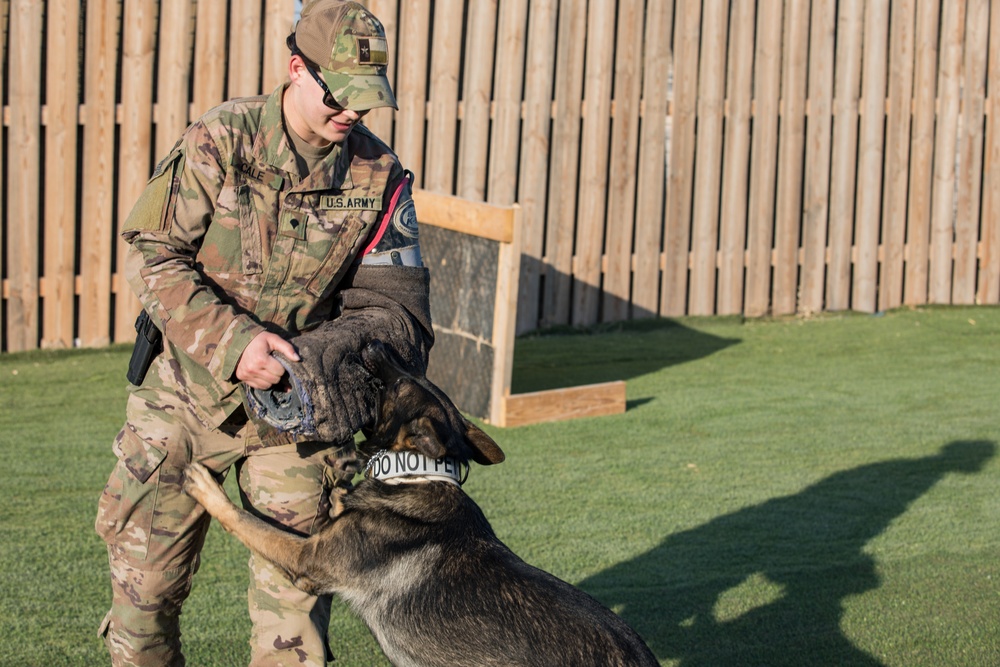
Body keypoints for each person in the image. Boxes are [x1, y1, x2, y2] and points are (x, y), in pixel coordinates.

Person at [95, 2, 432, 665]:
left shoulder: (378, 181)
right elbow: (153, 255)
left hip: (297, 417)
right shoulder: (223, 140)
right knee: (143, 599)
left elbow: (401, 316)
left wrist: (314, 359)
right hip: (186, 399)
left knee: (295, 622)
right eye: (341, 95)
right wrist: (233, 341)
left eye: (367, 100)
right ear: (295, 68)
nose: (353, 115)